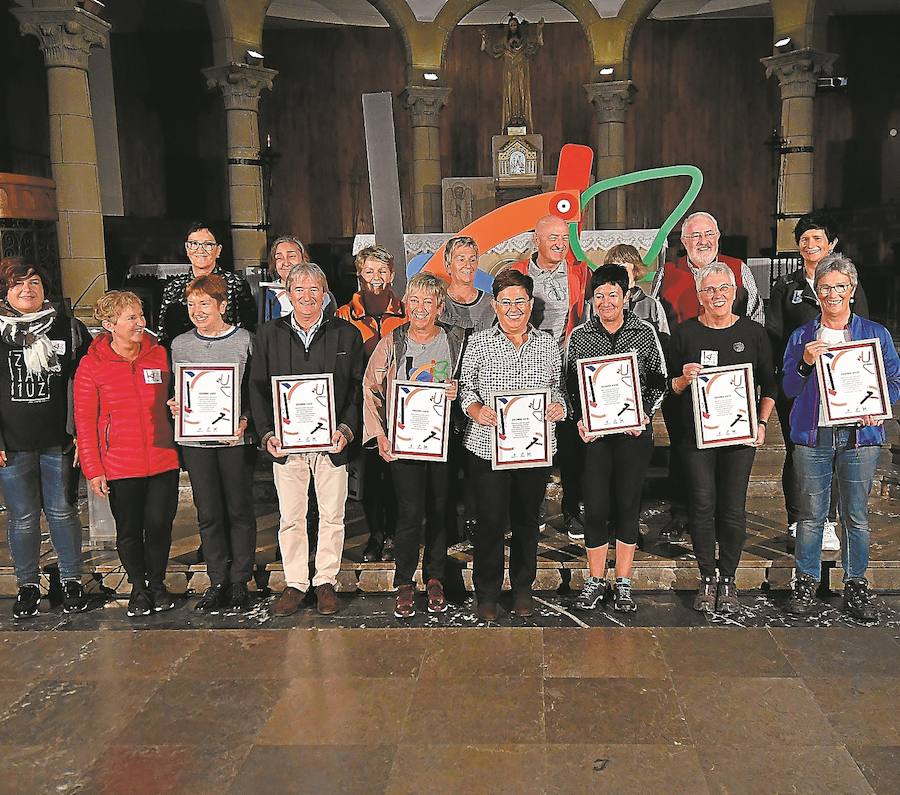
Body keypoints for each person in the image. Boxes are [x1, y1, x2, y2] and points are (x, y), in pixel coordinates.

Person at [783, 255, 900, 623]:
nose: (832, 294)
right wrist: (803, 362)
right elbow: (788, 386)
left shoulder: (875, 334)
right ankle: (806, 580)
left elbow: (894, 382)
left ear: (852, 290)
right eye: (824, 288)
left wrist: (877, 406)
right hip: (813, 434)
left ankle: (856, 583)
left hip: (860, 437)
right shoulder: (803, 335)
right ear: (816, 293)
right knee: (811, 514)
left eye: (839, 287)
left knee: (856, 515)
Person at [250, 262, 364, 617]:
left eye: (315, 290)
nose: (307, 297)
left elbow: (358, 389)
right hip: (288, 446)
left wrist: (346, 429)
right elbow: (257, 388)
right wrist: (268, 433)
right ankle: (296, 582)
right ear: (287, 295)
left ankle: (325, 580)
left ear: (326, 295)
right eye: (299, 290)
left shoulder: (347, 334)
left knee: (332, 515)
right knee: (291, 517)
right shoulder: (268, 334)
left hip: (332, 445)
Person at [667, 263, 776, 614]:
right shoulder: (684, 335)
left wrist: (761, 423)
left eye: (723, 289)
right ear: (699, 296)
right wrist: (683, 379)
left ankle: (728, 578)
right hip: (696, 438)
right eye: (709, 290)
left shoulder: (754, 334)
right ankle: (706, 577)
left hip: (740, 436)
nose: (717, 296)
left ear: (735, 292)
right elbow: (669, 388)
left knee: (732, 507)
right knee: (701, 504)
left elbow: (769, 385)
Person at [459, 269, 567, 621]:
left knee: (526, 521)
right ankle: (487, 593)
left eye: (520, 300)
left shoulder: (548, 344)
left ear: (530, 303)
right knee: (489, 523)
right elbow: (466, 389)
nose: (514, 308)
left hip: (533, 449)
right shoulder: (478, 343)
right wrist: (475, 409)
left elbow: (560, 388)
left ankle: (523, 588)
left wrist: (559, 407)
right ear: (495, 305)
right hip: (488, 448)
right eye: (506, 302)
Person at [655, 211, 765, 542]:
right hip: (684, 380)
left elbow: (756, 319)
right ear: (684, 242)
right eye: (694, 236)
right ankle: (680, 511)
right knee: (683, 447)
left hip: (730, 384)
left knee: (725, 450)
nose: (702, 241)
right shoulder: (667, 274)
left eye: (708, 234)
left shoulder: (739, 270)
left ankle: (719, 514)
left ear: (717, 237)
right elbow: (660, 324)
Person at [362, 272, 467, 618]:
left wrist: (457, 391)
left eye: (428, 302)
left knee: (440, 510)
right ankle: (405, 581)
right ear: (406, 304)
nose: (421, 308)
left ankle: (435, 576)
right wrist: (380, 434)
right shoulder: (393, 342)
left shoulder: (455, 341)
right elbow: (371, 388)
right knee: (408, 514)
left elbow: (471, 384)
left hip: (440, 442)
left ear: (440, 306)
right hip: (404, 443)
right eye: (415, 301)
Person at [567, 265, 667, 612]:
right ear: (591, 300)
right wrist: (579, 419)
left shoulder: (644, 332)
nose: (606, 302)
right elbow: (569, 385)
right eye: (599, 296)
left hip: (632, 434)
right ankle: (595, 580)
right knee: (595, 507)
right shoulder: (579, 337)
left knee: (627, 505)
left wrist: (645, 414)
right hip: (594, 438)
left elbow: (659, 379)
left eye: (613, 294)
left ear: (626, 297)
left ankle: (623, 581)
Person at [75, 291, 181, 618]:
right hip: (120, 464)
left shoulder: (160, 355)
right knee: (130, 530)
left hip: (163, 458)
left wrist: (179, 407)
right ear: (110, 325)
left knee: (160, 524)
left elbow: (180, 396)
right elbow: (84, 420)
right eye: (131, 318)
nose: (140, 323)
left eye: (140, 315)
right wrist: (93, 470)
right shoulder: (91, 365)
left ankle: (158, 583)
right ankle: (139, 587)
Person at [767, 213, 869, 550]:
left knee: (838, 449)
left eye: (817, 238)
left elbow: (863, 336)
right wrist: (793, 370)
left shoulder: (849, 284)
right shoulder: (786, 287)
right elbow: (774, 335)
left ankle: (826, 520)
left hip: (843, 385)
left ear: (831, 243)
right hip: (799, 382)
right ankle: (797, 518)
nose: (810, 245)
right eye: (804, 239)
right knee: (799, 451)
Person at [0, 258, 91, 619]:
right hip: (13, 442)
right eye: (18, 284)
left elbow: (84, 385)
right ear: (6, 292)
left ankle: (71, 580)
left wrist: (83, 433)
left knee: (63, 511)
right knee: (22, 517)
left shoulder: (68, 328)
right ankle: (27, 583)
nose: (28, 289)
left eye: (34, 282)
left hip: (59, 440)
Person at [168, 274, 257, 612]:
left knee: (238, 510)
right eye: (191, 304)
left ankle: (240, 580)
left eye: (205, 303)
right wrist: (176, 404)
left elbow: (253, 388)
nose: (197, 310)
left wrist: (246, 419)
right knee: (208, 513)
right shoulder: (180, 345)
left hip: (234, 440)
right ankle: (217, 578)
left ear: (222, 305)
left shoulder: (245, 340)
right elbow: (178, 389)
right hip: (196, 441)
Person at [509, 215, 589, 541]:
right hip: (529, 368)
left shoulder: (580, 272)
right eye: (552, 238)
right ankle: (534, 505)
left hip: (568, 368)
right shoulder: (518, 272)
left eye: (563, 238)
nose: (559, 243)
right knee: (532, 440)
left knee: (571, 445)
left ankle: (573, 510)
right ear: (536, 241)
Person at [336, 245, 405, 562]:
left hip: (399, 406)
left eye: (382, 271)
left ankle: (394, 534)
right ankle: (375, 535)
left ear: (391, 275)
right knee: (369, 477)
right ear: (359, 275)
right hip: (361, 405)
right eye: (369, 271)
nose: (375, 278)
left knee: (395, 475)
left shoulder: (405, 312)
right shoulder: (343, 315)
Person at [157, 221, 257, 346]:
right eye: (194, 244)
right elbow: (164, 335)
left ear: (218, 250)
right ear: (187, 249)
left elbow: (248, 330)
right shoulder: (173, 288)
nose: (200, 250)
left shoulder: (236, 284)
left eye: (208, 245)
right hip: (184, 357)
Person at [262, 236, 336, 322]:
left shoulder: (324, 295)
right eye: (279, 258)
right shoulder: (266, 293)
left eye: (291, 256)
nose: (286, 263)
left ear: (303, 260)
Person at [603, 244, 669, 339]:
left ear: (635, 271)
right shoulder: (596, 304)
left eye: (623, 269)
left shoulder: (651, 305)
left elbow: (664, 343)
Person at [439, 236, 495, 333]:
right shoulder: (438, 301)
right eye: (461, 260)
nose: (468, 265)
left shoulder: (491, 303)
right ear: (448, 266)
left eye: (472, 260)